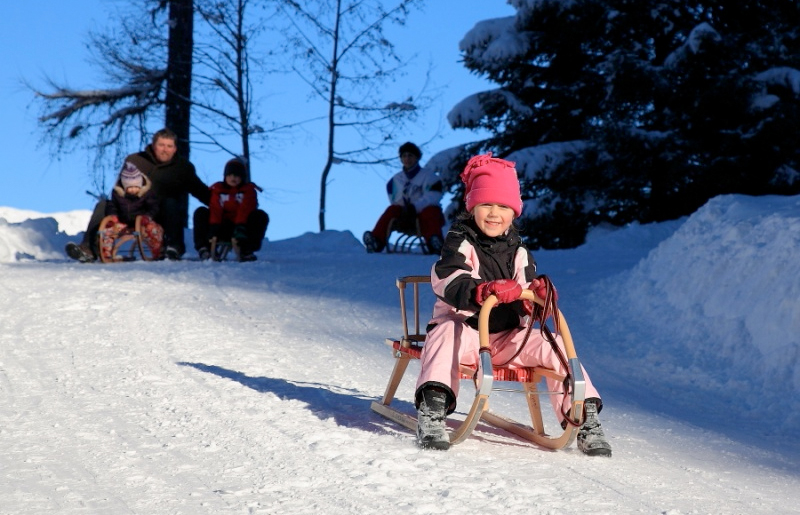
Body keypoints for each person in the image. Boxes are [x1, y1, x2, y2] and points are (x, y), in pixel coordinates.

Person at [413, 152, 612, 456]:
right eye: (487, 205)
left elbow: (528, 292)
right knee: (444, 334)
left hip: (506, 340)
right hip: (466, 332)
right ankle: (433, 410)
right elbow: (447, 278)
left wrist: (540, 296)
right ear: (472, 206)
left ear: (514, 212)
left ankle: (584, 417)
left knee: (553, 343)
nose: (495, 214)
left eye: (503, 206)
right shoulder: (459, 242)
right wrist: (482, 290)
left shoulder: (519, 252)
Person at [65, 128, 210, 262]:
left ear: (175, 149)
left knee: (170, 202)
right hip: (131, 209)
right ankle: (88, 248)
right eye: (161, 145)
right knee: (103, 204)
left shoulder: (183, 167)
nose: (165, 150)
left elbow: (200, 190)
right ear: (153, 145)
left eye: (169, 146)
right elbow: (119, 187)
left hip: (160, 215)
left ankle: (174, 248)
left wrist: (222, 204)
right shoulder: (135, 161)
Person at [362, 142, 445, 254]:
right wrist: (405, 209)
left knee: (431, 211)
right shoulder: (395, 180)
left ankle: (434, 242)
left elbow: (434, 196)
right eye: (404, 156)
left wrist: (415, 207)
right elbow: (395, 200)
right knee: (391, 210)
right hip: (405, 217)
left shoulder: (429, 177)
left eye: (410, 155)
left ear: (417, 157)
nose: (407, 159)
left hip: (423, 214)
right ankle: (376, 240)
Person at [192, 158, 269, 262]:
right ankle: (204, 248)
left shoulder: (248, 191)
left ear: (242, 177)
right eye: (230, 175)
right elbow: (216, 208)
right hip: (220, 226)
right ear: (225, 177)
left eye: (236, 175)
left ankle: (247, 250)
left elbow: (245, 209)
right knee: (201, 212)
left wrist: (240, 227)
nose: (233, 178)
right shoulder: (218, 190)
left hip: (242, 228)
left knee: (260, 216)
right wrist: (214, 227)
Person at [99, 162, 164, 261]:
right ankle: (106, 253)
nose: (133, 190)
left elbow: (153, 207)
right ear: (125, 187)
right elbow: (113, 205)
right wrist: (113, 215)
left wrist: (147, 217)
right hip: (123, 222)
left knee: (153, 229)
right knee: (108, 229)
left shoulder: (146, 194)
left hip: (142, 223)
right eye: (130, 187)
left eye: (136, 187)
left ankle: (158, 252)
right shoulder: (118, 194)